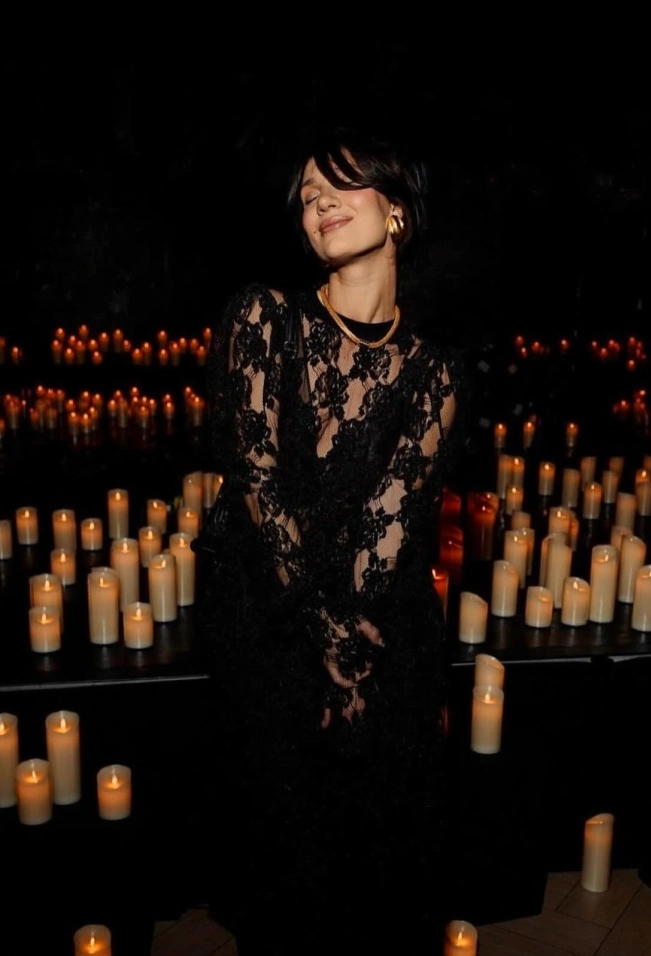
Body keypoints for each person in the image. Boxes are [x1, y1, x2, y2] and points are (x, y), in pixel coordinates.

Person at [197, 126, 465, 955]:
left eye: (338, 184)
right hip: (271, 621)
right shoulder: (265, 318)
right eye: (308, 195)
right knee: (291, 871)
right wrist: (323, 633)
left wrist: (355, 651)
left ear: (396, 211)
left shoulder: (434, 372)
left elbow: (391, 520)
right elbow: (258, 484)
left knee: (379, 870)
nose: (317, 202)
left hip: (381, 627)